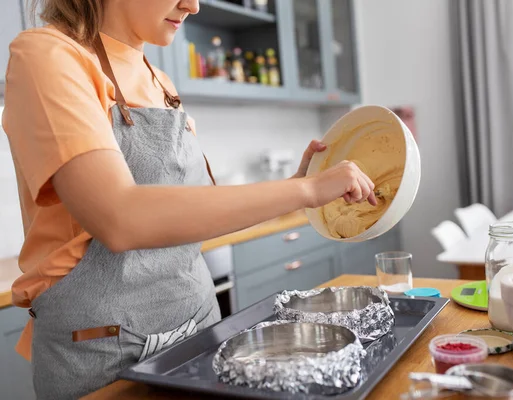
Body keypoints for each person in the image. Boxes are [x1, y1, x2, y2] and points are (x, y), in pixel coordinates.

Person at [1, 0, 377, 398]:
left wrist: (295, 189)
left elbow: (194, 210)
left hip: (198, 328)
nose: (193, 5)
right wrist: (303, 191)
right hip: (106, 351)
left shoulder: (160, 81)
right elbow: (119, 217)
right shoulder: (47, 55)